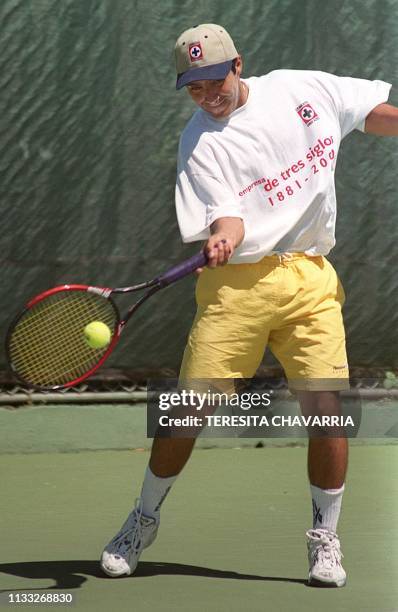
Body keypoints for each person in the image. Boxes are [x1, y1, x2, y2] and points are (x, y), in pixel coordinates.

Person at [100, 23, 398, 586]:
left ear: (238, 64)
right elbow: (228, 215)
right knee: (187, 412)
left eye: (214, 81)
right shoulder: (200, 142)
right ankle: (142, 520)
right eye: (194, 88)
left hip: (309, 275)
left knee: (326, 408)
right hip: (236, 287)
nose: (208, 96)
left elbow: (371, 111)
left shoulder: (301, 90)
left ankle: (325, 539)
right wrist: (224, 235)